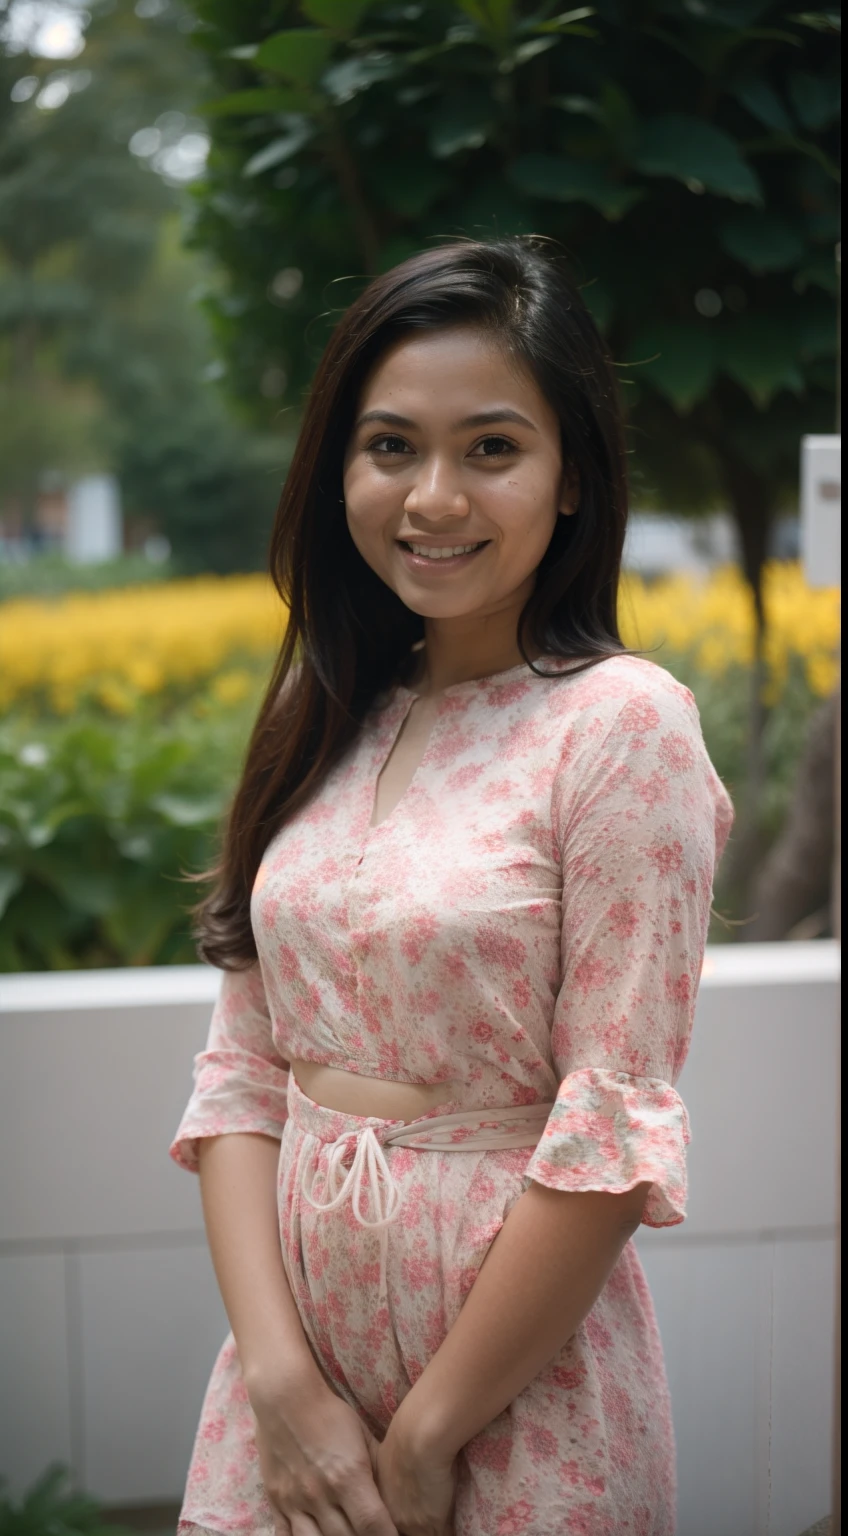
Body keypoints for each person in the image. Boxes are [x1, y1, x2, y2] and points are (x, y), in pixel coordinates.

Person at [170, 237, 734, 1536]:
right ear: (338, 473)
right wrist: (281, 1385)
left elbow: (613, 1119)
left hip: (514, 1400)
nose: (433, 497)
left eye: (490, 448)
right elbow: (242, 1074)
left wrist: (431, 1434)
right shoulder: (324, 715)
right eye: (389, 449)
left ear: (572, 475)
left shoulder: (618, 727)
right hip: (290, 1388)